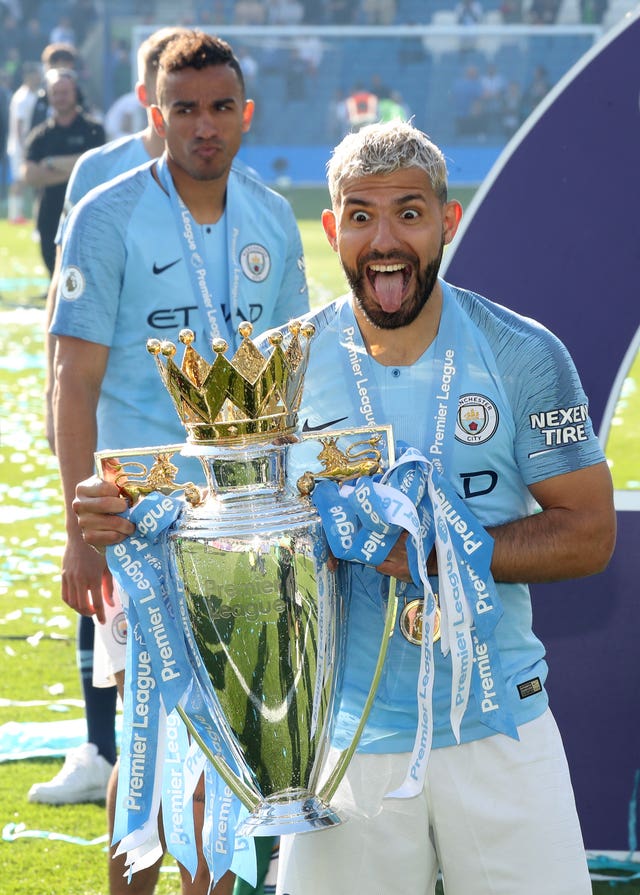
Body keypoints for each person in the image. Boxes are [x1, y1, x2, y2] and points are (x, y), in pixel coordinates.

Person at [73, 120, 615, 895]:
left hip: (498, 721)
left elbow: (589, 535)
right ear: (331, 229)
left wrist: (439, 551)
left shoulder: (524, 353)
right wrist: (133, 520)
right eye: (360, 215)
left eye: (409, 212)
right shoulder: (278, 372)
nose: (384, 238)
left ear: (447, 223)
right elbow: (228, 530)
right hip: (342, 739)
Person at [50, 29, 308, 895]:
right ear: (155, 115)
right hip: (140, 521)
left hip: (248, 521)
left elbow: (295, 387)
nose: (205, 126)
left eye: (221, 108)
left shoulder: (273, 216)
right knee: (152, 737)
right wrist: (81, 533)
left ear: (246, 115)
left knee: (235, 748)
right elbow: (72, 382)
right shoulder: (108, 214)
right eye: (186, 109)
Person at [22, 67, 104, 276]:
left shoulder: (93, 129)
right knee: (55, 273)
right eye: (55, 93)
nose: (60, 98)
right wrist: (77, 166)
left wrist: (50, 163)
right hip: (50, 212)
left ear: (76, 93)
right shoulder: (40, 135)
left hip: (86, 211)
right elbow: (30, 176)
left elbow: (98, 167)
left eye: (65, 92)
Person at [6, 61, 41, 224]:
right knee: (19, 181)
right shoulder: (21, 97)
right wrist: (24, 145)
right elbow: (19, 124)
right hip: (20, 146)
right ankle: (14, 215)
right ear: (28, 76)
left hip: (30, 144)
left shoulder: (35, 94)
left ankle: (29, 214)